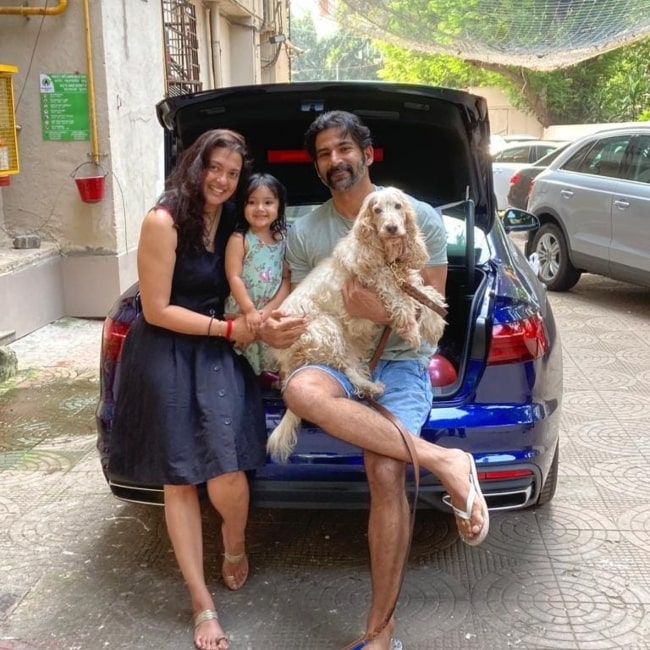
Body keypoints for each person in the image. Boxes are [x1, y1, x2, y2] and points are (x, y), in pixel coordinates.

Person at [260, 111, 489, 650]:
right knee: (298, 388)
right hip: (337, 355)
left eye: (344, 149)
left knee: (386, 466)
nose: (335, 160)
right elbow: (289, 298)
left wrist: (382, 311)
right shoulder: (309, 230)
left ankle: (379, 633)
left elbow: (434, 312)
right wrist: (266, 324)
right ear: (316, 166)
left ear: (367, 153)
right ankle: (444, 460)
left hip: (402, 357)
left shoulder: (418, 217)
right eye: (323, 154)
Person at [109, 129, 266, 650]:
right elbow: (155, 309)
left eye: (232, 172)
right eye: (214, 167)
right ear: (194, 165)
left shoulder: (237, 222)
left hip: (217, 347)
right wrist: (227, 329)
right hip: (169, 350)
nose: (222, 180)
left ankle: (235, 541)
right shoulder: (163, 220)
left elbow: (262, 273)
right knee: (180, 477)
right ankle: (202, 604)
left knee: (227, 473)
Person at [224, 172, 290, 375]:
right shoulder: (240, 239)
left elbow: (286, 279)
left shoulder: (283, 239)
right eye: (252, 202)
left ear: (279, 206)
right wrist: (250, 310)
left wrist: (268, 310)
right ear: (243, 206)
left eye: (268, 202)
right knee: (243, 368)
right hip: (242, 315)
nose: (260, 208)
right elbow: (233, 276)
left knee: (269, 368)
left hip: (268, 316)